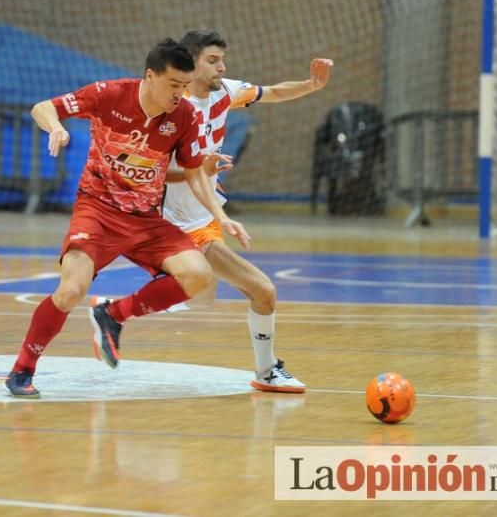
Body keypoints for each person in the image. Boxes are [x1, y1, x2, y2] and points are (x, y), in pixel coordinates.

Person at [5, 38, 251, 399]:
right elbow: (44, 107)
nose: (179, 94)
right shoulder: (110, 94)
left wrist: (220, 215)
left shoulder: (182, 115)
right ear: (149, 76)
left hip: (146, 219)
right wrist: (55, 127)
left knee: (198, 274)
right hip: (98, 211)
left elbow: (194, 173)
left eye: (184, 86)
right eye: (173, 85)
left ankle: (113, 313)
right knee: (71, 288)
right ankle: (22, 369)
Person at [100, 30, 332, 393]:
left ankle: (114, 310)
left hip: (203, 215)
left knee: (202, 297)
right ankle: (267, 369)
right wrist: (200, 169)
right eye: (212, 60)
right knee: (263, 291)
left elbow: (271, 92)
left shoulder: (226, 92)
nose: (222, 67)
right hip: (171, 218)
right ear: (191, 66)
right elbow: (150, 168)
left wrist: (311, 85)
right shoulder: (170, 108)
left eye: (222, 59)